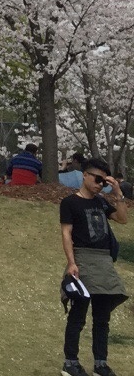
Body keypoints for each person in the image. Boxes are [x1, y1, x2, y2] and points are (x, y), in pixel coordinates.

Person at [60, 158, 129, 376]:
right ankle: (70, 362)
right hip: (83, 259)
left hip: (104, 262)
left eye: (104, 181)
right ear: (85, 175)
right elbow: (66, 233)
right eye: (97, 179)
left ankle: (101, 363)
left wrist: (117, 192)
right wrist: (72, 262)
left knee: (102, 317)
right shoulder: (70, 202)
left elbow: (123, 219)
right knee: (78, 314)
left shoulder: (101, 202)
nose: (100, 184)